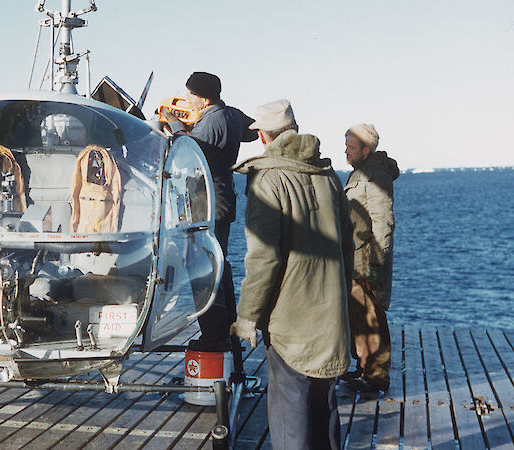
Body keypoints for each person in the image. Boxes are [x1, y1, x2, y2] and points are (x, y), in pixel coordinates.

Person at [231, 99, 353, 449]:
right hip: (330, 320)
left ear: (263, 137)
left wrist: (247, 317)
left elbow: (264, 259)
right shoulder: (328, 176)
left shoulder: (267, 180)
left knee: (291, 420)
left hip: (289, 325)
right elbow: (348, 247)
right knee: (325, 416)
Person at [161, 71, 258, 352]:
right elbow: (253, 132)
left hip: (205, 202)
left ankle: (213, 335)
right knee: (220, 264)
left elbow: (188, 154)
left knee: (202, 268)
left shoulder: (209, 123)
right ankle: (227, 325)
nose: (187, 99)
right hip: (224, 198)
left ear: (203, 98)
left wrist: (176, 127)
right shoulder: (232, 115)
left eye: (191, 94)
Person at [341, 124, 399, 392]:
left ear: (367, 149)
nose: (346, 151)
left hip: (368, 259)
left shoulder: (375, 175)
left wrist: (376, 261)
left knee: (372, 316)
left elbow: (382, 219)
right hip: (357, 256)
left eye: (351, 147)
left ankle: (376, 376)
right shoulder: (361, 173)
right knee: (359, 315)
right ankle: (364, 368)